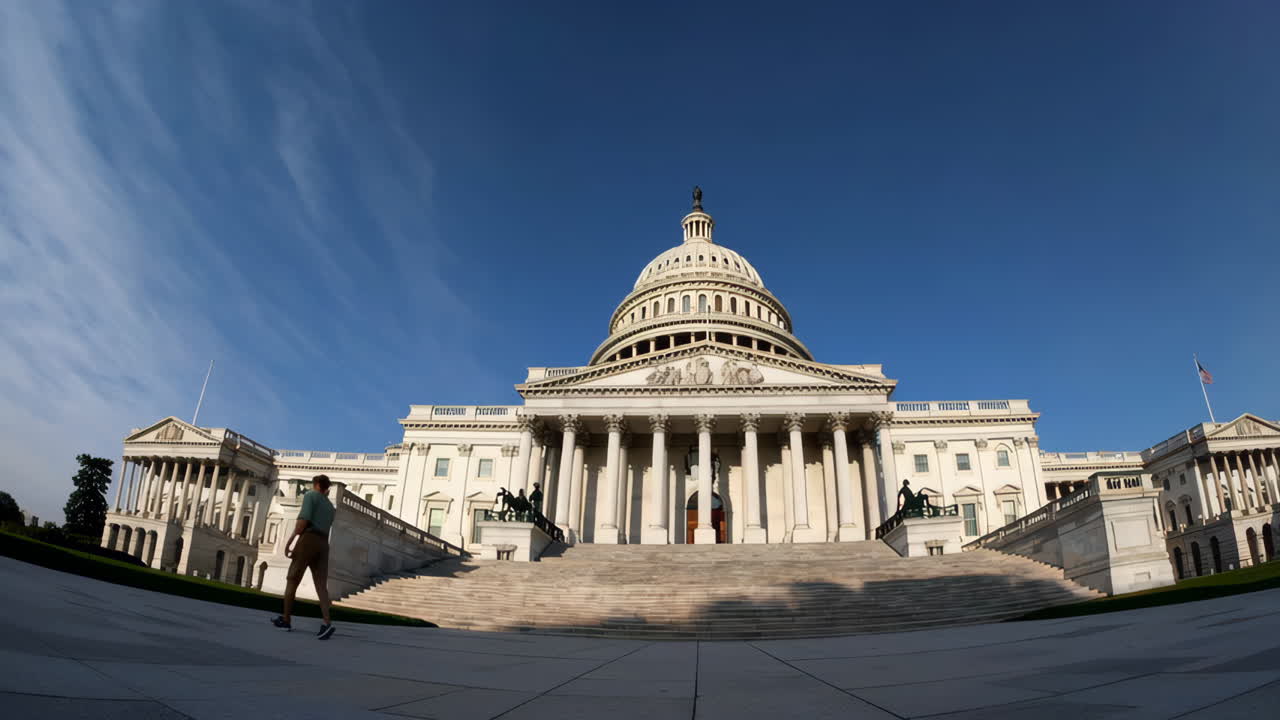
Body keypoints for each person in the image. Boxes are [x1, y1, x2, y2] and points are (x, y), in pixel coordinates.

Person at [272, 474, 336, 639]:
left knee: (292, 578)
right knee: (321, 586)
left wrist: (291, 541)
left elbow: (303, 523)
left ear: (315, 485)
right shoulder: (330, 507)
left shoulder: (310, 496)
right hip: (323, 544)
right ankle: (327, 623)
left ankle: (286, 619)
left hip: (309, 538)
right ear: (326, 488)